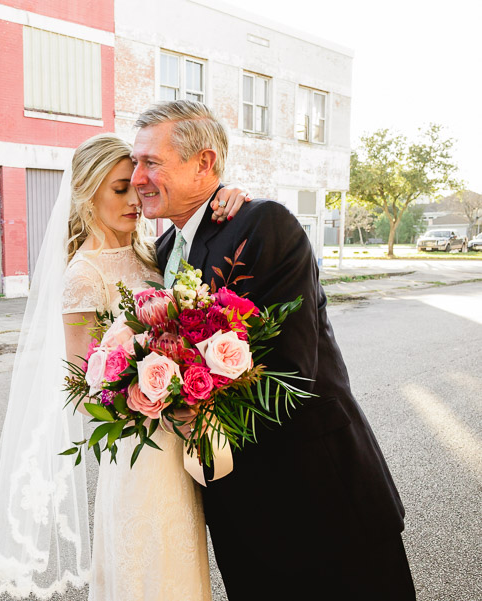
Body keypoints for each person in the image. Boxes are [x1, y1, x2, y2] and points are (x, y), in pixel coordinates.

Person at [130, 100, 415, 600]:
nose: (138, 178)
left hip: (318, 497)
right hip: (239, 507)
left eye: (151, 162)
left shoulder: (263, 226)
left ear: (204, 164)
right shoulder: (162, 252)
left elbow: (288, 369)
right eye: (136, 164)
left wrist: (179, 400)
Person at [0, 133, 249, 600]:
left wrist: (228, 196)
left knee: (182, 571)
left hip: (178, 447)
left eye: (138, 185)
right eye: (120, 188)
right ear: (87, 194)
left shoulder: (153, 251)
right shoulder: (84, 275)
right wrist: (162, 395)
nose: (134, 198)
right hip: (138, 454)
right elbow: (86, 393)